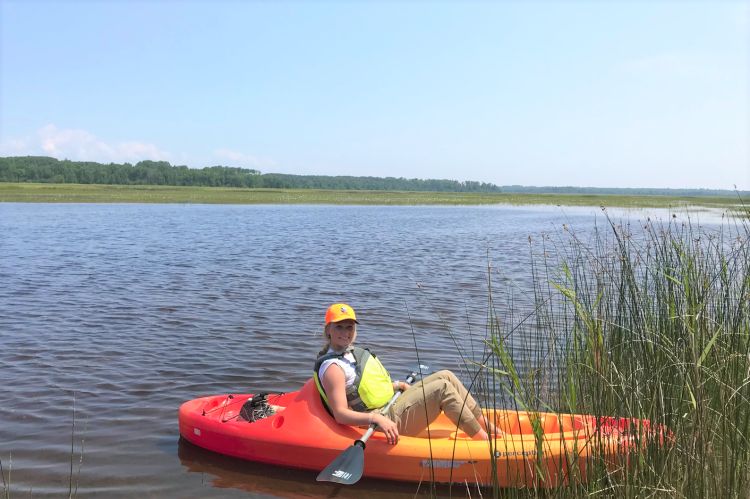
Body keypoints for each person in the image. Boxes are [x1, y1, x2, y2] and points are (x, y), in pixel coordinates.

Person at [313, 303, 498, 445]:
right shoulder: (333, 369)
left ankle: (490, 429)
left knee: (446, 375)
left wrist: (396, 385)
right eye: (339, 327)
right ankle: (485, 444)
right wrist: (376, 418)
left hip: (389, 408)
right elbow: (340, 414)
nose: (345, 332)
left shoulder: (348, 353)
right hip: (380, 422)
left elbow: (359, 388)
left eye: (349, 327)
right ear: (328, 329)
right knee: (442, 389)